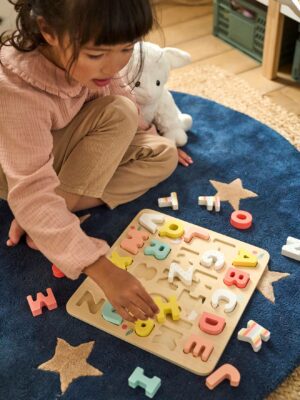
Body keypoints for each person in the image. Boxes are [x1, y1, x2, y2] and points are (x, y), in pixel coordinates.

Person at [0, 0, 192, 323]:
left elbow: (116, 91)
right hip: (13, 168)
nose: (113, 66)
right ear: (47, 31)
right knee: (120, 113)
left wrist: (150, 132)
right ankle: (41, 213)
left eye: (127, 49)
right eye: (96, 54)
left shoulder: (94, 67)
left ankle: (46, 213)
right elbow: (116, 108)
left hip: (65, 152)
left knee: (163, 153)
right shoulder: (16, 90)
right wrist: (101, 269)